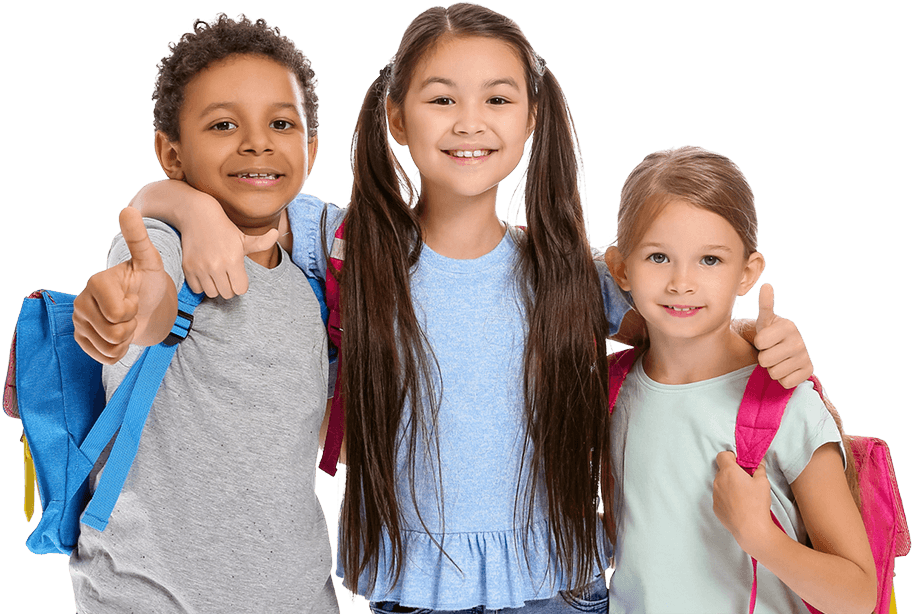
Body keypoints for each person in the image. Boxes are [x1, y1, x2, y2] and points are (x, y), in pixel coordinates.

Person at [127, 4, 814, 612]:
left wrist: (760, 336)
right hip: (411, 590)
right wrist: (181, 203)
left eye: (497, 99)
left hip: (562, 589)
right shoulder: (343, 242)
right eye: (441, 100)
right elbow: (219, 194)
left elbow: (683, 327)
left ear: (531, 119)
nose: (470, 124)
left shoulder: (569, 269)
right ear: (396, 117)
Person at [68, 14, 340, 613]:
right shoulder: (166, 242)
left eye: (281, 123)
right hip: (150, 598)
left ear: (311, 149)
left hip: (301, 597)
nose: (257, 142)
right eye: (222, 124)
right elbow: (148, 300)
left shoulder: (309, 282)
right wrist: (119, 308)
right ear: (170, 151)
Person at [603, 145, 876, 613]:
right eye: (658, 257)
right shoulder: (612, 392)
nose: (681, 282)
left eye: (710, 260)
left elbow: (856, 594)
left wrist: (759, 536)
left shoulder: (784, 403)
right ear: (621, 268)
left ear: (747, 272)